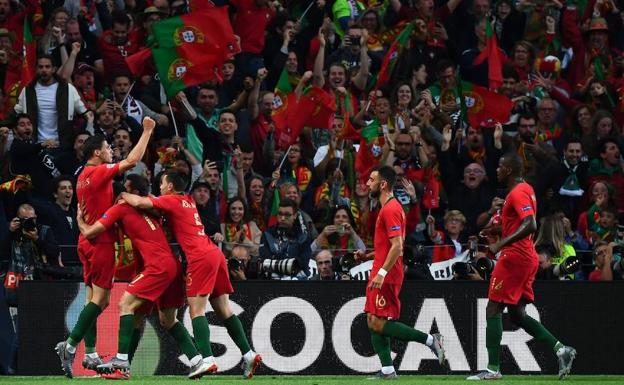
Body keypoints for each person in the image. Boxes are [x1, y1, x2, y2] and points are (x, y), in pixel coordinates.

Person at [120, 170, 262, 378]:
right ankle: (248, 354)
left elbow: (141, 203)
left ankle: (206, 359)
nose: (159, 187)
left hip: (199, 257)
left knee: (197, 311)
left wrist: (123, 195)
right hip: (214, 253)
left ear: (169, 186)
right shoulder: (187, 200)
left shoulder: (172, 200)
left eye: (162, 183)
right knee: (224, 310)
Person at [75, 181, 212, 379]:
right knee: (164, 319)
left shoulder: (120, 208)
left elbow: (89, 233)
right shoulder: (149, 209)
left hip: (158, 267)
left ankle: (121, 361)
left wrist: (80, 219)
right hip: (171, 264)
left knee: (125, 304)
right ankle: (197, 361)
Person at [54, 117, 154, 378]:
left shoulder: (82, 176)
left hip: (85, 241)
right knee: (102, 300)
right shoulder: (98, 171)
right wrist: (147, 131)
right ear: (97, 152)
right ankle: (70, 345)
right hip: (101, 242)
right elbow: (132, 162)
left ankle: (90, 352)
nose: (112, 150)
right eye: (108, 148)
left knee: (90, 299)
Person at [467, 153, 576, 380]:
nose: (496, 170)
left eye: (499, 167)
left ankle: (493, 369)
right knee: (517, 314)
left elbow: (530, 224)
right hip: (526, 257)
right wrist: (496, 231)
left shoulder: (517, 193)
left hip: (515, 258)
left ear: (508, 170)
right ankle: (561, 350)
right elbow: (520, 223)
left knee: (493, 308)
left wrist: (500, 243)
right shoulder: (525, 189)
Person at [356, 166, 445, 379]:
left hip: (387, 273)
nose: (368, 184)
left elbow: (397, 246)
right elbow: (388, 245)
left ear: (383, 184)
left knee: (377, 322)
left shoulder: (391, 209)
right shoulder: (388, 207)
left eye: (371, 179)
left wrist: (382, 272)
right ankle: (387, 370)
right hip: (381, 267)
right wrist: (369, 256)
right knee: (373, 320)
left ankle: (431, 340)